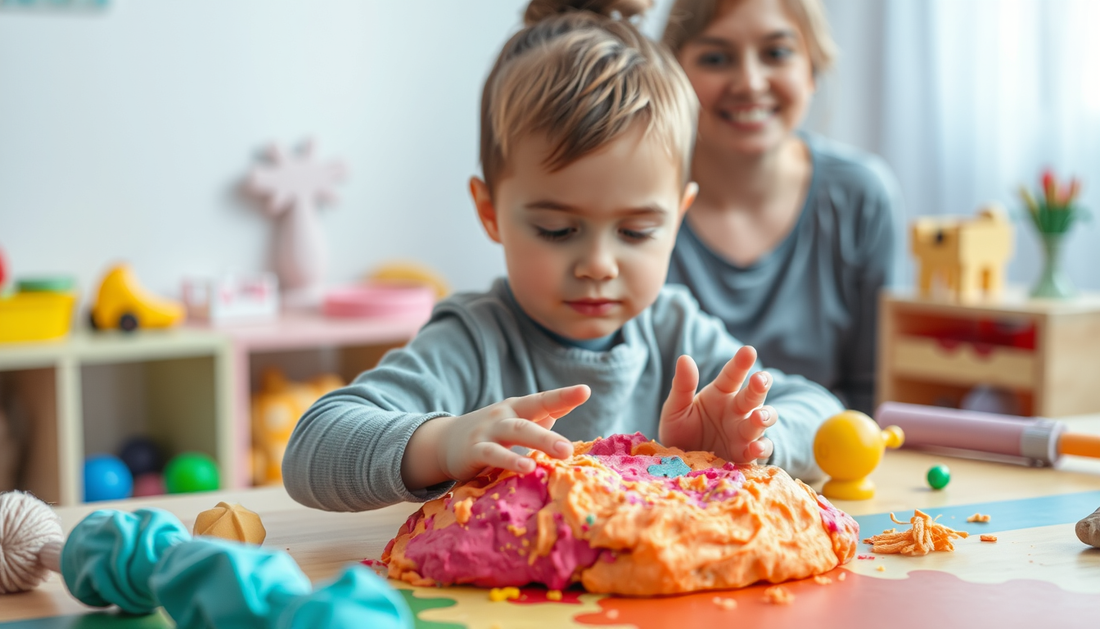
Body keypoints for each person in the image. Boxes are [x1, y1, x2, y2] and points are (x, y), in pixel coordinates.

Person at [282, 0, 843, 513]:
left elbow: (823, 415)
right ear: (491, 211)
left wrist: (753, 441)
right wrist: (446, 442)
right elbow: (313, 446)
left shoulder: (674, 332)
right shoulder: (476, 341)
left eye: (637, 230)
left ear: (679, 216)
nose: (598, 264)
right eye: (557, 229)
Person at [662, 0, 904, 415]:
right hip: (661, 474)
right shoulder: (641, 200)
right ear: (674, 76)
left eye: (776, 53)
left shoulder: (861, 195)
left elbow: (874, 395)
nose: (750, 83)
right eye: (716, 58)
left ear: (812, 67)